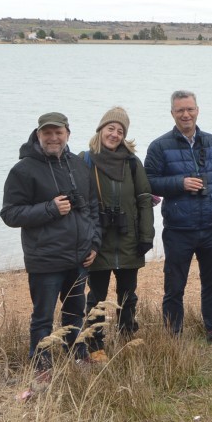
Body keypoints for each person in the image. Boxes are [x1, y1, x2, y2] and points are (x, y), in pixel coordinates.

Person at [1, 112, 100, 370]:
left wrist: (94, 244)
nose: (53, 138)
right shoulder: (23, 170)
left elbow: (92, 207)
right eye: (47, 133)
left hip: (79, 258)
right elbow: (10, 214)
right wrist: (49, 209)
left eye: (59, 132)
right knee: (43, 318)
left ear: (68, 133)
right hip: (45, 259)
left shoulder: (79, 165)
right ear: (38, 135)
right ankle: (41, 363)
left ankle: (77, 353)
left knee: (74, 313)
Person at [145, 91, 212, 344]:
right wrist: (180, 183)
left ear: (197, 110)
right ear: (172, 113)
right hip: (178, 228)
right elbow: (148, 182)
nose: (185, 114)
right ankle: (173, 335)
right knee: (174, 287)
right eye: (180, 110)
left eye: (190, 109)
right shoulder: (159, 146)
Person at [79, 107, 155, 361]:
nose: (114, 134)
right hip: (97, 241)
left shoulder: (132, 163)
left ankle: (126, 335)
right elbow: (78, 203)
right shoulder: (85, 160)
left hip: (127, 238)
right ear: (100, 130)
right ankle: (94, 343)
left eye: (120, 131)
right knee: (97, 296)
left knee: (127, 294)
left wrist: (146, 235)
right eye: (110, 128)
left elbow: (144, 199)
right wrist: (84, 240)